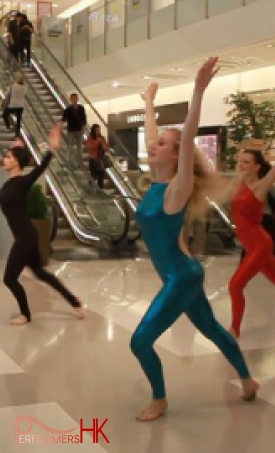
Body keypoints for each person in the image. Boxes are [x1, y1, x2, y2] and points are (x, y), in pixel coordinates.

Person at [130, 58, 258, 422]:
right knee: (214, 330)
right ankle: (247, 381)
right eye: (155, 142)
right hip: (184, 273)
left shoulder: (176, 188)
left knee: (139, 341)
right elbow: (160, 135)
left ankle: (160, 399)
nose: (154, 145)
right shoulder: (156, 183)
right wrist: (149, 103)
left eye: (163, 145)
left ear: (176, 154)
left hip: (180, 278)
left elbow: (186, 138)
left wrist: (198, 91)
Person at [0, 126, 84, 326]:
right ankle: (75, 301)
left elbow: (40, 167)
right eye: (6, 156)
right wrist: (17, 147)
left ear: (17, 162)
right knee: (40, 273)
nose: (5, 159)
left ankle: (25, 315)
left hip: (25, 237)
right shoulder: (10, 183)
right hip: (26, 235)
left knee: (9, 279)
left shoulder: (23, 182)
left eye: (9, 157)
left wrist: (52, 148)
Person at [227, 149, 275, 338]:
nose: (242, 165)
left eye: (247, 162)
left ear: (257, 167)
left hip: (259, 245)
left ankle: (234, 330)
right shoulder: (239, 184)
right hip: (250, 244)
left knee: (235, 285)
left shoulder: (260, 186)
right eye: (241, 161)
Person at [61, 93, 87, 167]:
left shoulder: (81, 108)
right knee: (70, 147)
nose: (74, 99)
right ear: (71, 99)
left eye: (75, 98)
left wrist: (83, 127)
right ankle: (70, 162)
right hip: (71, 130)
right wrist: (60, 125)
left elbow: (84, 118)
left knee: (79, 147)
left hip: (79, 130)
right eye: (73, 98)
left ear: (77, 99)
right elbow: (64, 118)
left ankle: (80, 163)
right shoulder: (68, 109)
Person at [2, 72, 26, 138]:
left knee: (4, 114)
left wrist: (3, 101)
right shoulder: (24, 88)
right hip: (20, 106)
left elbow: (7, 94)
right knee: (18, 120)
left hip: (12, 105)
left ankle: (8, 126)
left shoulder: (13, 86)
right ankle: (17, 133)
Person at [86, 124, 109, 189]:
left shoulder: (102, 138)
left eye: (99, 130)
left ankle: (100, 189)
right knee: (93, 175)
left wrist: (104, 146)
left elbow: (106, 147)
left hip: (100, 159)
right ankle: (90, 188)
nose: (98, 131)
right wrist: (96, 142)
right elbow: (89, 148)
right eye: (96, 130)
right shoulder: (90, 138)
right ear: (93, 131)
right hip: (93, 159)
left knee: (101, 175)